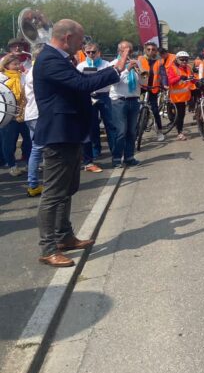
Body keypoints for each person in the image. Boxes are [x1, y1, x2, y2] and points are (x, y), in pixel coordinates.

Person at [34, 19, 127, 267]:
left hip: (70, 132)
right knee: (53, 194)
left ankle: (64, 237)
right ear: (67, 37)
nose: (83, 44)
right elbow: (82, 84)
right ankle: (48, 247)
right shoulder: (50, 59)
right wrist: (116, 68)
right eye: (80, 39)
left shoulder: (60, 59)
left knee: (67, 190)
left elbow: (79, 86)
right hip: (59, 134)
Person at [76, 43, 117, 172]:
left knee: (110, 124)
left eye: (94, 52)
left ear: (99, 52)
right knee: (92, 126)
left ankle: (115, 152)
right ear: (85, 52)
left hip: (104, 96)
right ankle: (95, 151)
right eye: (88, 52)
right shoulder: (82, 66)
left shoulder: (105, 64)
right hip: (89, 97)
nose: (91, 55)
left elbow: (112, 79)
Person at [109, 40, 142, 168]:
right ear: (119, 52)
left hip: (133, 100)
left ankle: (129, 157)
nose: (128, 53)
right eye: (124, 50)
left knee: (132, 131)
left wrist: (140, 73)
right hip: (119, 100)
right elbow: (115, 82)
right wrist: (127, 69)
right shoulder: (113, 64)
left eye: (130, 50)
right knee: (121, 131)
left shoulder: (136, 63)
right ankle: (116, 159)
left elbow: (142, 81)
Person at [0, 53, 31, 176]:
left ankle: (30, 164)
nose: (18, 66)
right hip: (9, 117)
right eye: (15, 64)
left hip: (24, 115)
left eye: (19, 64)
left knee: (28, 141)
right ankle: (12, 166)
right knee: (9, 143)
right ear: (6, 65)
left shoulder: (23, 77)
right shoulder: (1, 78)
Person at [138, 41, 168, 141]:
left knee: (155, 110)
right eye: (148, 49)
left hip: (153, 89)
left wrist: (165, 84)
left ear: (156, 51)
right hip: (141, 88)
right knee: (137, 110)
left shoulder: (159, 62)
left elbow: (163, 74)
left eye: (153, 49)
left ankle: (159, 132)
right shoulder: (140, 59)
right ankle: (136, 132)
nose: (151, 51)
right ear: (145, 50)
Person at [23, 51, 43, 197]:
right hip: (38, 114)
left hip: (31, 114)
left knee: (36, 149)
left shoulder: (31, 71)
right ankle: (34, 184)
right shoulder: (38, 71)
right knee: (40, 150)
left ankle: (33, 184)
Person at [166, 51, 193, 140]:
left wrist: (198, 80)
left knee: (182, 115)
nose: (184, 62)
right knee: (179, 116)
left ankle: (179, 129)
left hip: (185, 96)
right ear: (177, 59)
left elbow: (191, 78)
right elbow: (169, 81)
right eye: (182, 60)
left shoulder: (188, 68)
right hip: (176, 97)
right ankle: (179, 132)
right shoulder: (172, 68)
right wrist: (179, 77)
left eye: (186, 60)